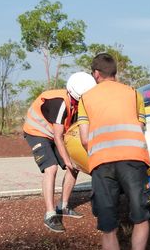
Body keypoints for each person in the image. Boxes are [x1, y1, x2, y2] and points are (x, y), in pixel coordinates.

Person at [78, 53, 150, 250]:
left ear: (96, 74)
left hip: (102, 161)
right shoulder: (133, 93)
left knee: (108, 226)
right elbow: (140, 127)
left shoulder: (86, 98)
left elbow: (85, 139)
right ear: (115, 73)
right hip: (133, 157)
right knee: (140, 217)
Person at [23, 71, 96, 233]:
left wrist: (74, 161)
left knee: (74, 166)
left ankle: (63, 206)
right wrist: (66, 160)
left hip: (55, 133)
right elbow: (57, 136)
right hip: (37, 132)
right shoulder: (60, 102)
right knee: (51, 168)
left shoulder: (78, 102)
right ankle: (50, 214)